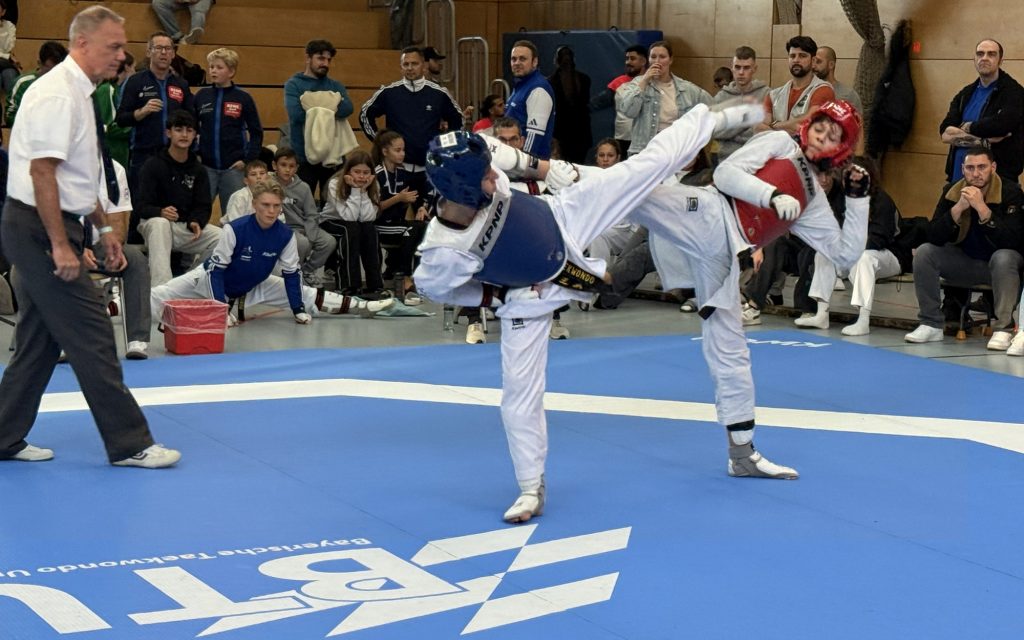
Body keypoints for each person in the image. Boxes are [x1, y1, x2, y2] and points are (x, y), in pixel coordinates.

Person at [413, 100, 766, 522]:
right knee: (518, 396)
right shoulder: (443, 251)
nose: (495, 175)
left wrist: (542, 166)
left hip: (565, 217)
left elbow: (500, 154)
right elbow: (439, 290)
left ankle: (724, 117)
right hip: (530, 293)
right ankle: (530, 488)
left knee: (645, 167)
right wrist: (497, 299)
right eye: (487, 176)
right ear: (461, 189)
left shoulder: (481, 162)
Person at [0, 5, 179, 468]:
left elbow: (79, 174)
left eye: (122, 46)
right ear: (82, 44)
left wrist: (101, 228)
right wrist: (61, 244)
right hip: (38, 226)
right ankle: (130, 443)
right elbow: (42, 173)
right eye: (113, 46)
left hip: (54, 221)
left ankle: (2, 436)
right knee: (93, 333)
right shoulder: (57, 95)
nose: (122, 55)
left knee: (38, 344)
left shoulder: (85, 93)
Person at [151, 181, 393, 325]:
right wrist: (219, 309)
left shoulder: (285, 235)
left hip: (256, 285)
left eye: (276, 206)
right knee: (159, 295)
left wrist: (297, 309)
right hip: (208, 283)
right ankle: (113, 309)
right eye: (266, 205)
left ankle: (361, 307)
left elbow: (291, 274)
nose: (271, 210)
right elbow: (216, 271)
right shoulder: (234, 230)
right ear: (255, 204)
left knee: (306, 293)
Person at [904, 146, 1023, 349]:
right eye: (970, 168)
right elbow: (933, 235)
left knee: (1004, 256)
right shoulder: (952, 191)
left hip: (1001, 268)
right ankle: (931, 323)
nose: (975, 173)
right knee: (925, 252)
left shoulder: (1010, 192)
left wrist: (983, 210)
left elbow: (1014, 240)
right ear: (962, 168)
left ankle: (1003, 328)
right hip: (966, 262)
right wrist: (957, 209)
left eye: (982, 167)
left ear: (993, 167)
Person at [792, 156, 901, 334]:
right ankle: (821, 314)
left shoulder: (882, 200)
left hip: (886, 256)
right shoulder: (842, 198)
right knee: (823, 253)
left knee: (864, 259)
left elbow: (879, 239)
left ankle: (863, 319)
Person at [359, 46, 463, 205]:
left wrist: (445, 148)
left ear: (424, 66)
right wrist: (381, 143)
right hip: (397, 169)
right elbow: (365, 115)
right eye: (405, 64)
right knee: (393, 216)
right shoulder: (389, 93)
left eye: (414, 64)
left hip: (430, 169)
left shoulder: (439, 94)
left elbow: (458, 120)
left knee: (429, 217)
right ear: (401, 67)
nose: (409, 68)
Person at [136, 109, 221, 286]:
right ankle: (161, 291)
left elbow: (203, 205)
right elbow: (140, 205)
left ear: (195, 136)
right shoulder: (153, 165)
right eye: (179, 129)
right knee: (161, 224)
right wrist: (159, 211)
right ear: (169, 133)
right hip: (153, 226)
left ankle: (187, 282)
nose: (184, 135)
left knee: (223, 237)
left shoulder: (198, 170)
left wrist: (196, 221)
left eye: (189, 131)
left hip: (183, 228)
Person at [87, 160, 154, 359]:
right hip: (62, 241)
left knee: (135, 259)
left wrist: (112, 251)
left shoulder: (113, 170)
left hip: (100, 243)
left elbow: (118, 222)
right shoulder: (57, 163)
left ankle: (137, 339)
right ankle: (61, 340)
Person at [116, 31, 194, 194]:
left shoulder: (181, 84)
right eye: (158, 48)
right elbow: (121, 119)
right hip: (144, 155)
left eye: (167, 49)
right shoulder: (136, 81)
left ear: (173, 54)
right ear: (148, 52)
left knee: (175, 206)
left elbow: (192, 119)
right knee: (141, 206)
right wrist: (142, 112)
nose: (163, 53)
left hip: (175, 156)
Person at [939, 39, 1024, 183]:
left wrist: (968, 126)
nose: (984, 58)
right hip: (957, 181)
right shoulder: (965, 94)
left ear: (1000, 60)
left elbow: (1001, 126)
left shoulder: (1014, 93)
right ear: (974, 59)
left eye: (991, 54)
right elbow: (945, 133)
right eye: (980, 54)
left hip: (996, 183)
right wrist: (984, 141)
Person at [284, 39, 354, 201]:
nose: (325, 63)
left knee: (332, 206)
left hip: (333, 156)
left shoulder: (336, 85)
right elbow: (296, 115)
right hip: (303, 156)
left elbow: (347, 109)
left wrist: (310, 103)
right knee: (300, 205)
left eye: (329, 60)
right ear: (308, 58)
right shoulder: (294, 85)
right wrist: (331, 103)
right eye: (321, 58)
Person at [194, 47, 263, 210]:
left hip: (233, 169)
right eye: (211, 67)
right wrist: (195, 153)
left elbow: (256, 132)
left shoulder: (243, 98)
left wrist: (246, 160)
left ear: (231, 71)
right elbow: (191, 127)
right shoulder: (201, 96)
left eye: (219, 67)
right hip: (206, 167)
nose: (213, 71)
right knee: (198, 212)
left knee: (234, 215)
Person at [617, 40, 712, 156]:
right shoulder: (638, 83)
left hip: (675, 150)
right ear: (648, 60)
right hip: (644, 151)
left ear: (670, 60)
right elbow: (628, 111)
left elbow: (713, 107)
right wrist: (645, 80)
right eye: (653, 57)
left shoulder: (686, 88)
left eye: (662, 57)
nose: (657, 61)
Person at [372, 129, 429, 298]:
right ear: (385, 152)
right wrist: (399, 198)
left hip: (397, 223)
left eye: (403, 150)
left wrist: (421, 207)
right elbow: (375, 208)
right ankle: (403, 276)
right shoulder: (377, 174)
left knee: (424, 227)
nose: (402, 154)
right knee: (410, 230)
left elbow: (419, 193)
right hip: (380, 225)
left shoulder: (401, 173)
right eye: (397, 150)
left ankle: (417, 276)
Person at [320, 151, 385, 295]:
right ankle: (349, 285)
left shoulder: (374, 185)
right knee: (350, 229)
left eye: (366, 172)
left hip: (355, 223)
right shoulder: (335, 183)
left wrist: (363, 192)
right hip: (330, 222)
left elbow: (368, 218)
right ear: (348, 171)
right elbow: (348, 216)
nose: (361, 176)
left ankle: (375, 285)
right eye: (357, 172)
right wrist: (356, 191)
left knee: (370, 230)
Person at [273, 147, 336, 287]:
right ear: (274, 166)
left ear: (297, 168)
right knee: (302, 243)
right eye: (283, 165)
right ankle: (293, 273)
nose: (287, 170)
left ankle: (306, 270)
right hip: (283, 227)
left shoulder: (304, 187)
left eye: (291, 166)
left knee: (328, 241)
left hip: (303, 226)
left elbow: (312, 214)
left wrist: (311, 234)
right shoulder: (269, 184)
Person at [756, 36, 835, 135]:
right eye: (792, 56)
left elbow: (808, 122)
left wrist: (774, 124)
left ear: (813, 61)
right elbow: (758, 127)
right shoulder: (773, 95)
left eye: (802, 56)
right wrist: (787, 129)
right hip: (776, 148)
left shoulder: (823, 89)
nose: (796, 60)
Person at [588, 44, 648, 157]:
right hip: (623, 139)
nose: (628, 62)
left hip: (645, 140)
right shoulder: (618, 83)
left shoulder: (653, 83)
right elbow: (596, 103)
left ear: (644, 61)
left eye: (633, 58)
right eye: (627, 58)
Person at [713, 46, 770, 160]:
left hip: (758, 157)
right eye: (737, 67)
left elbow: (770, 130)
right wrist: (749, 124)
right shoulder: (721, 97)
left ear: (754, 69)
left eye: (746, 68)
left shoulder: (766, 94)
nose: (741, 72)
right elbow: (715, 132)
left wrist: (732, 127)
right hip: (727, 157)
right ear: (732, 68)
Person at [505, 39, 555, 158]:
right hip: (512, 158)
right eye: (514, 59)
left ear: (534, 62)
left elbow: (534, 135)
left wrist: (523, 166)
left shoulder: (538, 89)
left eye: (522, 59)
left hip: (529, 166)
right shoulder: (521, 85)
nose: (517, 63)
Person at [5, 40, 67, 127]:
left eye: (58, 69)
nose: (54, 74)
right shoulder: (23, 83)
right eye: (50, 69)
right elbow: (10, 116)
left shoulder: (67, 85)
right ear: (39, 63)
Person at [547, 46, 591, 163]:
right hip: (560, 133)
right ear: (557, 60)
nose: (566, 59)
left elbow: (585, 104)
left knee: (579, 163)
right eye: (563, 56)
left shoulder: (584, 79)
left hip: (581, 133)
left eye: (568, 55)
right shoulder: (549, 82)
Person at [94, 51, 135, 167]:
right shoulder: (107, 90)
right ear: (126, 67)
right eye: (133, 68)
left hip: (120, 151)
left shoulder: (118, 90)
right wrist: (135, 126)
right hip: (112, 152)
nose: (135, 72)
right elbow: (107, 127)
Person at [812, 45, 863, 116]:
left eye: (818, 62)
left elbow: (857, 124)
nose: (813, 66)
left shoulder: (848, 95)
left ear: (831, 65)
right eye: (813, 62)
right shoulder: (808, 91)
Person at [221, 159, 270, 225]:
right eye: (253, 174)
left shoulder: (273, 195)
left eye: (262, 173)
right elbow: (235, 224)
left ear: (268, 178)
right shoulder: (240, 197)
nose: (258, 177)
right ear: (246, 181)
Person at [0, 0, 20, 97]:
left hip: (4, 63)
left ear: (3, 12)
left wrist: (1, 31)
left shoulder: (9, 26)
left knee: (10, 75)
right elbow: (7, 54)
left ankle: (12, 110)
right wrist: (7, 56)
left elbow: (8, 47)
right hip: (5, 60)